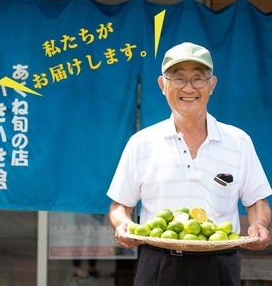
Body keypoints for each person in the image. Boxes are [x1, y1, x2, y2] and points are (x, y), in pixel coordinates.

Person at [106, 42, 272, 286]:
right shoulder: (141, 143)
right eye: (178, 78)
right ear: (163, 85)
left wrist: (259, 224)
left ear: (212, 85)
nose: (189, 88)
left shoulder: (238, 141)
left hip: (219, 266)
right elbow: (120, 206)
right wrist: (124, 225)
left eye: (198, 78)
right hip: (158, 265)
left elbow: (257, 202)